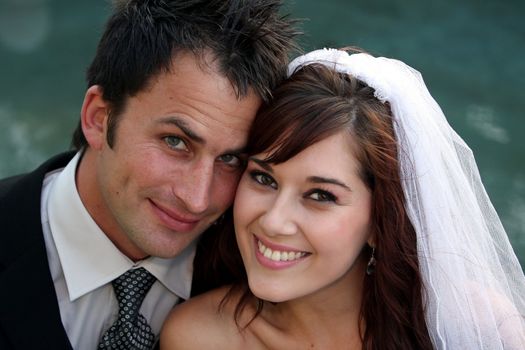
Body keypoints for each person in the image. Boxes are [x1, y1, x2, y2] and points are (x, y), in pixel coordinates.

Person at [160, 48, 525, 349]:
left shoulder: (477, 325)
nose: (273, 221)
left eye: (320, 195)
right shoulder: (201, 338)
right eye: (263, 178)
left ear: (378, 222)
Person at [0, 1, 298, 349]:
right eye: (176, 142)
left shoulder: (267, 273)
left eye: (230, 159)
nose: (197, 198)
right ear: (98, 118)